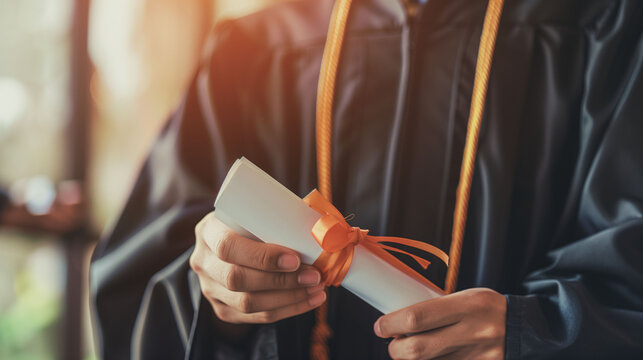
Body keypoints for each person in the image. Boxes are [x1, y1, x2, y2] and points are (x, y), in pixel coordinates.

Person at [91, 0, 643, 359]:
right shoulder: (252, 57)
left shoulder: (607, 32)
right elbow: (137, 289)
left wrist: (538, 335)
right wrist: (216, 302)